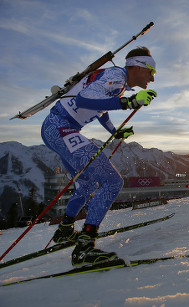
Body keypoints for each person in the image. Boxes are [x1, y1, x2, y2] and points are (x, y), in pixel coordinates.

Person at [41, 46, 157, 266]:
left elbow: (100, 110)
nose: (152, 78)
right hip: (61, 127)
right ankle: (84, 248)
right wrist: (128, 103)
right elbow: (85, 99)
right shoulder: (116, 76)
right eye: (151, 71)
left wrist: (115, 131)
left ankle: (65, 229)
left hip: (56, 128)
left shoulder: (117, 83)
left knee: (85, 184)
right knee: (112, 181)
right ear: (138, 66)